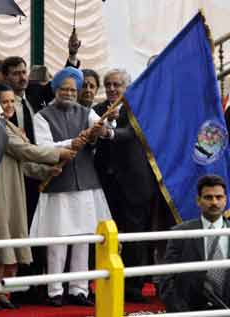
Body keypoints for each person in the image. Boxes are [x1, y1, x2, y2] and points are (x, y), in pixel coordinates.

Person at [0, 83, 76, 310]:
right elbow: (26, 151)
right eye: (5, 101)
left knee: (9, 237)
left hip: (12, 188)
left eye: (12, 101)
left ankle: (0, 292)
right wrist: (57, 153)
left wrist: (46, 171)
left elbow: (24, 164)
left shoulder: (9, 125)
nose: (10, 105)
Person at [30, 66, 112, 307]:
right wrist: (70, 142)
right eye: (64, 89)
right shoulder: (42, 116)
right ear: (56, 90)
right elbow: (44, 147)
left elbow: (106, 132)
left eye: (72, 90)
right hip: (58, 184)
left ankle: (80, 289)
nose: (68, 93)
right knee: (58, 240)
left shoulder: (87, 112)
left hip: (85, 184)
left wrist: (102, 130)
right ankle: (55, 290)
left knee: (84, 238)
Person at [93, 68, 156, 302]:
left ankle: (133, 287)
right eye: (108, 84)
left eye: (116, 85)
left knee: (134, 237)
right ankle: (106, 281)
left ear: (127, 88)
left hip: (134, 184)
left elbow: (129, 134)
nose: (111, 89)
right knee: (108, 236)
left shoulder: (138, 108)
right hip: (104, 184)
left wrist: (108, 132)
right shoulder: (97, 110)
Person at [159, 175, 230, 312]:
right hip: (190, 311)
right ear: (198, 201)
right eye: (208, 197)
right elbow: (166, 280)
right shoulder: (180, 233)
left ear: (226, 200)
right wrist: (181, 313)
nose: (214, 202)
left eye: (219, 197)